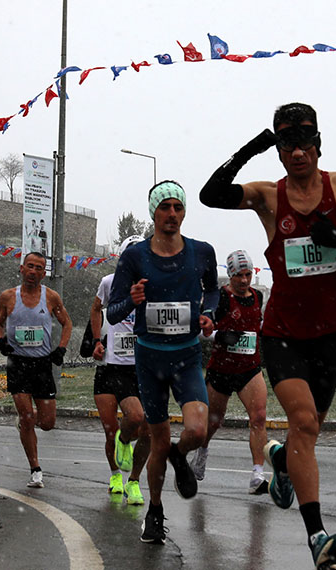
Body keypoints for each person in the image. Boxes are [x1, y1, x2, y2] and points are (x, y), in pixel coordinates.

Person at [199, 102, 336, 569]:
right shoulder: (269, 196)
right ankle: (317, 538)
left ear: (318, 141)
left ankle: (280, 461)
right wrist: (255, 144)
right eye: (286, 143)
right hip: (282, 334)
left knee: (305, 434)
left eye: (303, 140)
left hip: (330, 333)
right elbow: (211, 194)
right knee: (305, 423)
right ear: (280, 149)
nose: (296, 152)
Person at [107, 180, 219, 545]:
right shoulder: (135, 256)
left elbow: (213, 290)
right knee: (157, 442)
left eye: (178, 207)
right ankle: (155, 511)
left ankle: (177, 456)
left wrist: (209, 313)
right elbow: (113, 313)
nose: (172, 214)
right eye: (165, 207)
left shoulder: (201, 252)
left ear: (184, 212)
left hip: (187, 357)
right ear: (153, 212)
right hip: (149, 359)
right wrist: (133, 299)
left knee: (197, 431)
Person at [189, 250, 269, 494]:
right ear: (230, 276)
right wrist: (220, 335)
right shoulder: (220, 298)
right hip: (222, 369)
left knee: (258, 417)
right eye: (238, 276)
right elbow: (200, 329)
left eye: (247, 274)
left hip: (249, 368)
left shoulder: (258, 295)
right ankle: (202, 452)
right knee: (213, 422)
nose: (244, 280)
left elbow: (258, 324)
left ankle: (257, 474)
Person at [0, 251, 72, 488]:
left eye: (39, 268)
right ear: (21, 268)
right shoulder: (8, 297)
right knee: (27, 417)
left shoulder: (51, 297)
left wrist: (61, 349)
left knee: (47, 422)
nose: (33, 271)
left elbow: (66, 323)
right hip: (17, 363)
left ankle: (25, 422)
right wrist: (1, 342)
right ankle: (35, 469)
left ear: (44, 273)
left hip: (42, 364)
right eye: (30, 266)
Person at [89, 234, 150, 505]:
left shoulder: (153, 285)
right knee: (110, 428)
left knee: (143, 427)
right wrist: (96, 340)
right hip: (111, 367)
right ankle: (116, 475)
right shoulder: (109, 282)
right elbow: (95, 308)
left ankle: (135, 481)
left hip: (142, 367)